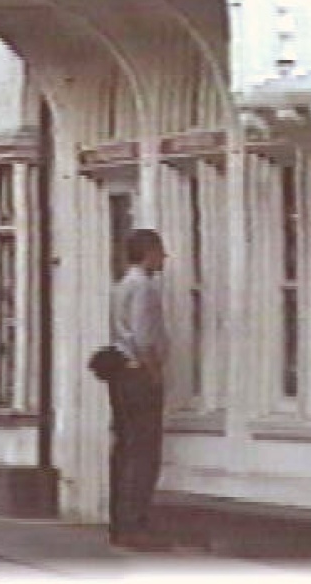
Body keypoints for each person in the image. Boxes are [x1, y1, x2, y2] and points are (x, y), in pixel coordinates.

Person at [107, 228, 170, 552]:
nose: (164, 258)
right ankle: (136, 525)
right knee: (144, 451)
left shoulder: (121, 285)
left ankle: (120, 523)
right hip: (138, 374)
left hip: (121, 375)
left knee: (125, 448)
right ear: (148, 252)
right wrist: (155, 374)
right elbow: (144, 338)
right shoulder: (144, 287)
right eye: (160, 251)